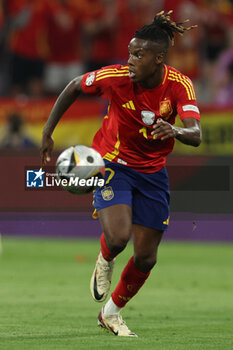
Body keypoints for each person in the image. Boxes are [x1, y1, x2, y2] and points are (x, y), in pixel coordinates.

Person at [41, 10, 202, 337]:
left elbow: (196, 133)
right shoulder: (115, 76)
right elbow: (74, 86)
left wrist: (175, 130)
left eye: (138, 55)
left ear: (158, 59)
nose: (130, 60)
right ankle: (105, 258)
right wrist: (47, 132)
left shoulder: (179, 85)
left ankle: (111, 313)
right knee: (117, 237)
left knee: (146, 257)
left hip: (153, 173)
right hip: (112, 163)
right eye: (129, 52)